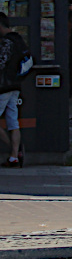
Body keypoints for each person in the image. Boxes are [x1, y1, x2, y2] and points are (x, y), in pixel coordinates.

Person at [0, 13, 29, 167]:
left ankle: (14, 149)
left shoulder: (6, 42)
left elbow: (1, 63)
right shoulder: (19, 40)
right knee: (13, 122)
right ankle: (14, 156)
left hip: (3, 86)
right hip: (16, 86)